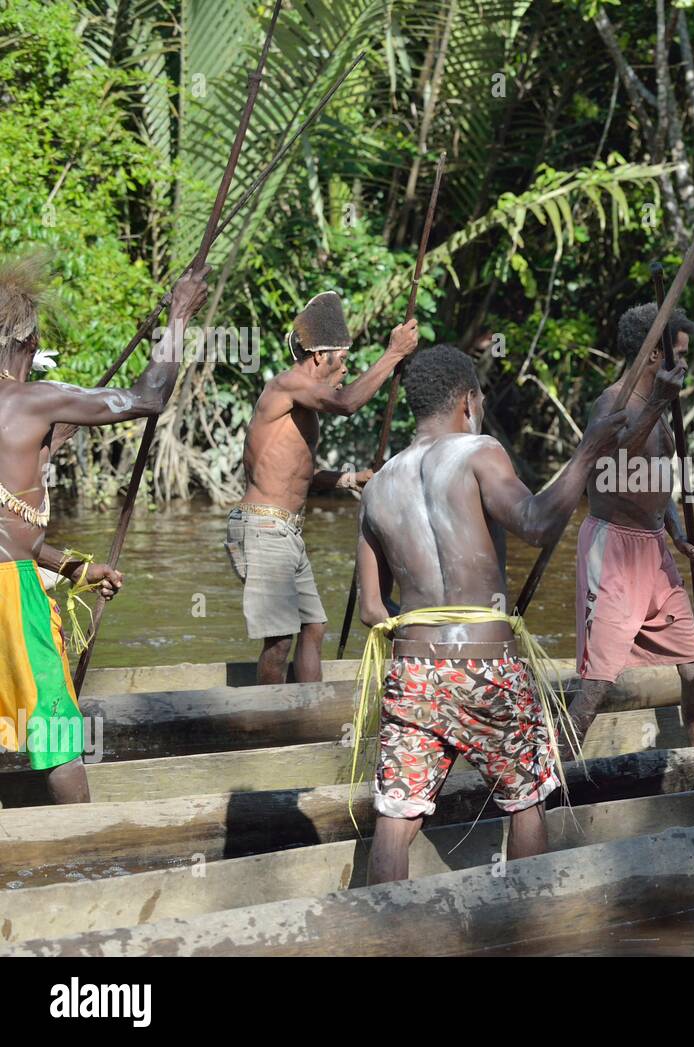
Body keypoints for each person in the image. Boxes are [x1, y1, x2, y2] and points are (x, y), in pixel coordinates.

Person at [354, 343, 627, 883]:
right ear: (469, 401)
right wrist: (589, 449)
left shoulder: (379, 483)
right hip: (486, 668)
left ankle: (384, 931)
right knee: (525, 799)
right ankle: (524, 923)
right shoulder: (479, 451)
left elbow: (369, 609)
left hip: (413, 673)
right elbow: (535, 523)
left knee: (395, 817)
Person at [0, 251, 208, 801]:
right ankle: (84, 846)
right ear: (27, 342)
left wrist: (77, 569)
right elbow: (148, 398)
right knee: (59, 728)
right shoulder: (31, 400)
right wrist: (179, 318)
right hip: (7, 595)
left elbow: (15, 532)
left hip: (11, 575)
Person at [227, 290, 419, 685]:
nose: (346, 368)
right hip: (262, 526)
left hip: (285, 530)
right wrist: (393, 354)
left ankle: (307, 713)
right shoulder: (288, 385)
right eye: (343, 359)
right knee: (280, 639)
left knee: (313, 627)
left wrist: (348, 479)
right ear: (319, 356)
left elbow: (296, 475)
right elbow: (348, 403)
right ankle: (270, 725)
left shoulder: (302, 405)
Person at [567, 302, 694, 752]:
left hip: (653, 551)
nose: (684, 364)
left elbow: (654, 482)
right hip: (613, 550)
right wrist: (660, 404)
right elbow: (611, 458)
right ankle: (549, 787)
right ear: (653, 356)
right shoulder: (613, 401)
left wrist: (677, 533)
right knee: (596, 683)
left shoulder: (657, 408)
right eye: (679, 354)